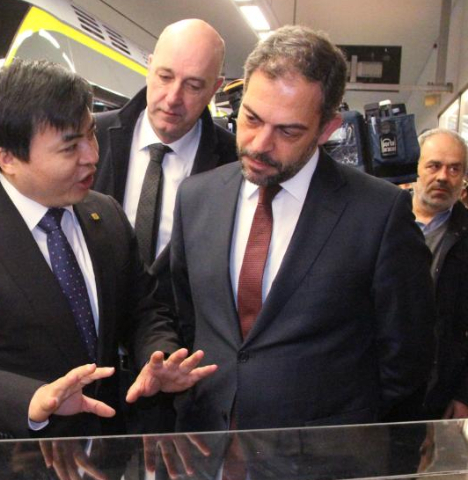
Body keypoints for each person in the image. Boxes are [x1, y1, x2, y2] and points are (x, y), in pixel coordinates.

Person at [0, 59, 216, 440]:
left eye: (91, 135)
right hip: (12, 458)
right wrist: (31, 399)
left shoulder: (104, 213)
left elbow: (143, 309)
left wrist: (161, 356)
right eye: (70, 147)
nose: (91, 156)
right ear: (8, 159)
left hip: (107, 451)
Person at [171, 25, 434, 432]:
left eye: (288, 131)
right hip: (208, 446)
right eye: (252, 119)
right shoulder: (197, 198)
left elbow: (406, 357)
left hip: (326, 456)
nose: (259, 144)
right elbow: (185, 314)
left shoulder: (379, 214)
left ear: (327, 128)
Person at [93, 19, 237, 307]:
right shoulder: (91, 138)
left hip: (181, 341)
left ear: (215, 88)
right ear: (149, 67)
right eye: (165, 77)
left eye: (193, 85)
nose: (173, 98)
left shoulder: (234, 164)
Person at [412, 129, 468, 420]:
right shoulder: (383, 223)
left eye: (454, 168)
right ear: (417, 168)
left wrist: (464, 394)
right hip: (376, 388)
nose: (443, 177)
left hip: (439, 394)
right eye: (434, 165)